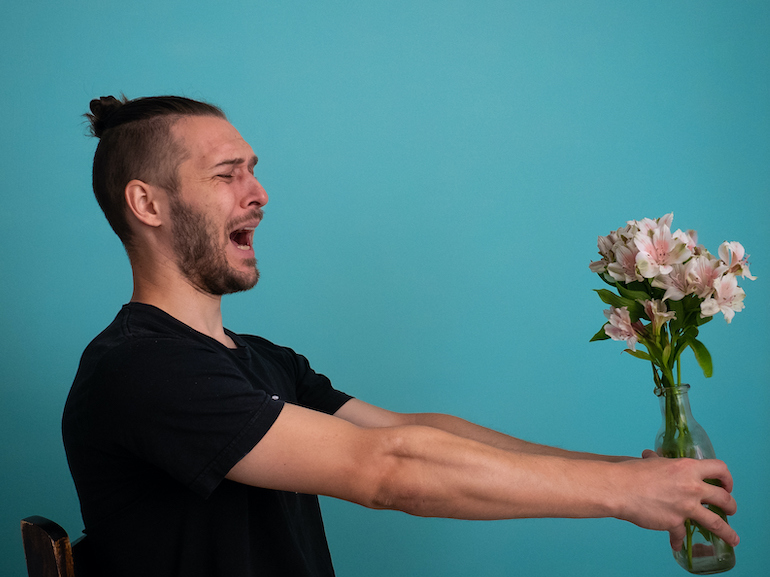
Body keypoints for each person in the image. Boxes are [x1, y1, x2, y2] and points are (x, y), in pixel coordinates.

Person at [62, 95, 740, 577]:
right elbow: (387, 469)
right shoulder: (140, 368)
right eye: (225, 174)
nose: (260, 191)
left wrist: (626, 472)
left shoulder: (262, 362)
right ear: (146, 203)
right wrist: (623, 498)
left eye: (253, 168)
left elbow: (411, 432)